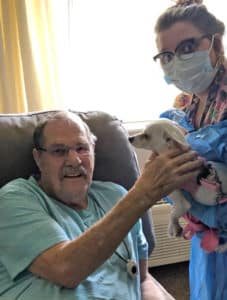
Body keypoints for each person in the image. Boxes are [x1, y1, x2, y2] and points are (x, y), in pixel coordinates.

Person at [0, 111, 202, 300]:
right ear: (38, 158)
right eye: (59, 151)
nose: (74, 160)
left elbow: (142, 279)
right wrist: (143, 194)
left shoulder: (116, 195)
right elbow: (66, 269)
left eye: (82, 148)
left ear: (93, 151)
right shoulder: (15, 199)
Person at [153, 1, 227, 299]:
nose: (176, 62)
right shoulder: (183, 106)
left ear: (213, 41)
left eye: (187, 48)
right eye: (166, 55)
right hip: (206, 236)